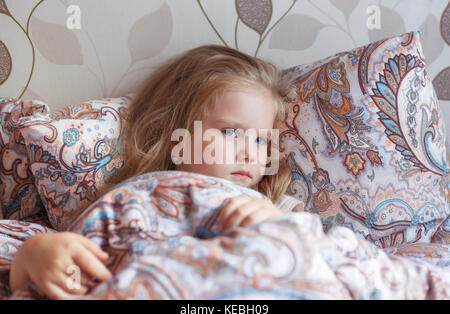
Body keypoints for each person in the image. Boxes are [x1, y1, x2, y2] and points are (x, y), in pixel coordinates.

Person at [9, 45, 304, 299]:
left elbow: (313, 269)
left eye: (260, 139)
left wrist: (278, 232)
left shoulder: (274, 207)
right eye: (229, 131)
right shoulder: (134, 200)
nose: (250, 153)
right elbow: (69, 271)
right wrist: (35, 255)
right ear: (175, 132)